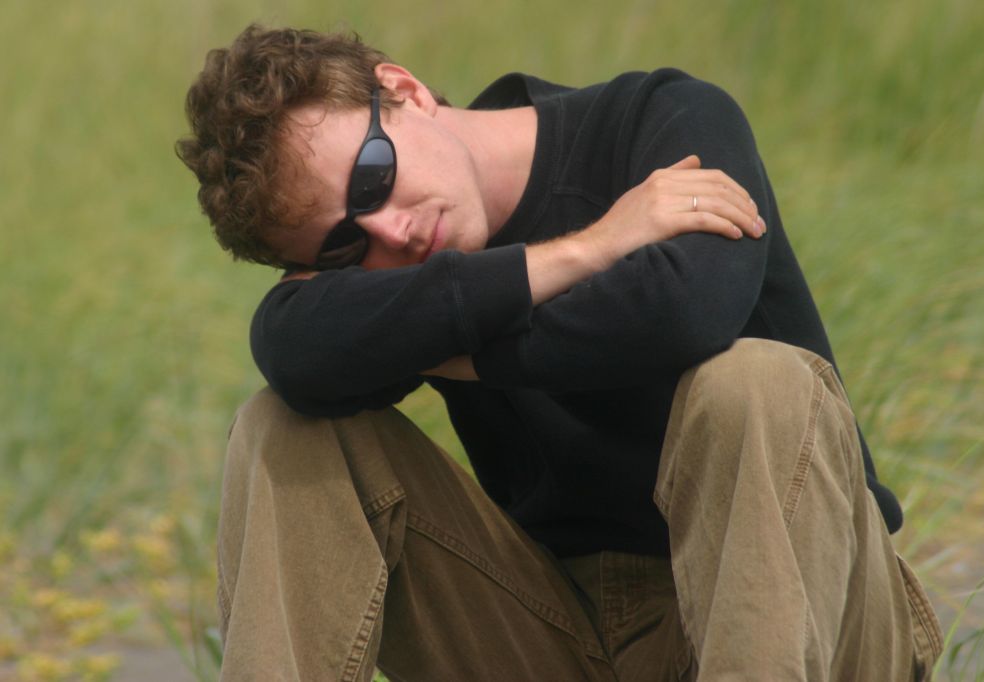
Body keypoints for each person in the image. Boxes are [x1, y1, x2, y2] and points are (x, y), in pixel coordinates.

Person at [177, 24, 943, 681]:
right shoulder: (418, 255)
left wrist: (458, 346)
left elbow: (686, 310)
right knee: (282, 426)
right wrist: (590, 249)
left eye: (372, 181)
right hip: (565, 629)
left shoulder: (662, 119)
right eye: (344, 247)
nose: (393, 234)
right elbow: (292, 347)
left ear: (402, 90)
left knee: (752, 378)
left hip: (814, 612)